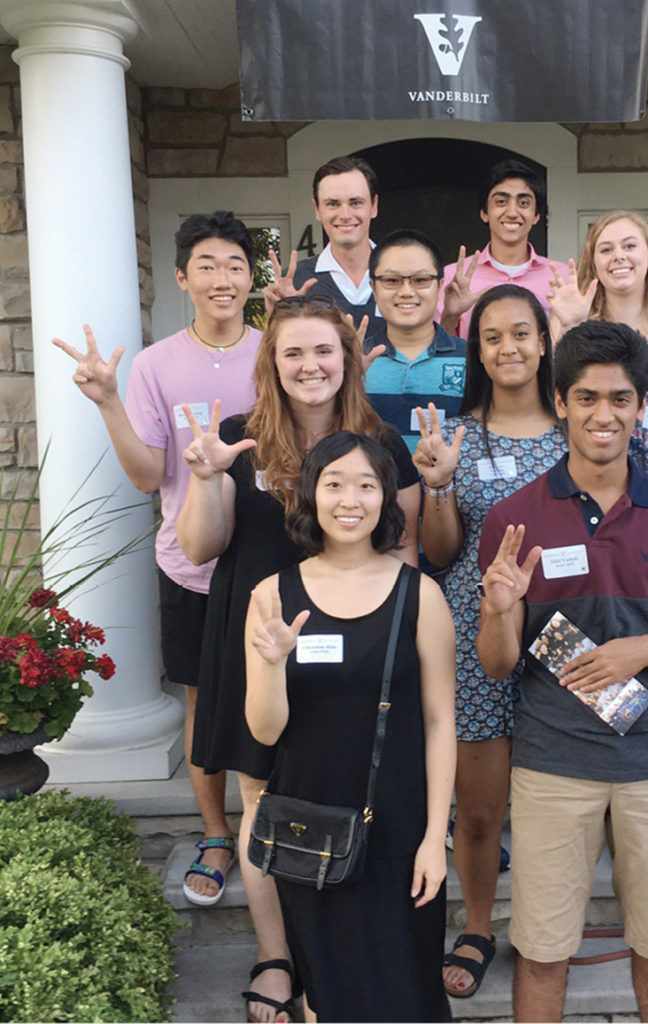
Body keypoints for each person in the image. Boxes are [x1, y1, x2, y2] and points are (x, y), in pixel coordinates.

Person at [176, 297, 420, 1023]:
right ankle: (276, 955)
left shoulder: (383, 442)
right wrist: (206, 478)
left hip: (351, 651)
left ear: (347, 358)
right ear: (272, 363)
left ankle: (338, 952)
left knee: (339, 795)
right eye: (293, 353)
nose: (309, 365)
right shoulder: (234, 438)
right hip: (255, 641)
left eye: (323, 351)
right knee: (260, 800)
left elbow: (403, 555)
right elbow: (199, 548)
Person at [476, 321, 648, 1022]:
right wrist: (500, 611)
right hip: (555, 763)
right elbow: (497, 664)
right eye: (586, 397)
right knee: (543, 948)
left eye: (620, 399)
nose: (603, 415)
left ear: (641, 405)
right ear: (561, 402)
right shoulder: (513, 520)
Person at [53, 211, 260, 909]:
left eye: (234, 263)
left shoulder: (276, 354)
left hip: (269, 561)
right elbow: (147, 475)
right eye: (207, 265)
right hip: (191, 563)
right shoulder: (156, 364)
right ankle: (214, 832)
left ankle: (274, 821)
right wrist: (109, 401)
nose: (222, 278)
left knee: (282, 694)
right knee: (203, 698)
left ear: (250, 275)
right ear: (182, 277)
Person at [245, 432, 456, 1022]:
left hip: (399, 826)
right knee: (328, 989)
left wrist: (435, 836)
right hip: (308, 824)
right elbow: (264, 732)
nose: (349, 499)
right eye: (333, 483)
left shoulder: (422, 595)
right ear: (310, 495)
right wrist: (271, 661)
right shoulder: (271, 597)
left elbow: (441, 722)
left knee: (406, 985)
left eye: (366, 485)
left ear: (385, 498)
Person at [411, 284, 566, 998]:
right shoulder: (457, 434)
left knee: (560, 801)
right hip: (475, 641)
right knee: (476, 810)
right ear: (475, 349)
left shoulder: (577, 431)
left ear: (544, 342)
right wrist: (440, 486)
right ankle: (476, 925)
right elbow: (440, 552)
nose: (509, 348)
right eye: (492, 336)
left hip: (565, 641)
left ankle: (547, 927)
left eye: (522, 333)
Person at [547, 210, 648, 480]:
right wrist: (570, 326)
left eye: (630, 246)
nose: (618, 256)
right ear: (594, 262)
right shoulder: (569, 322)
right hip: (590, 481)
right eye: (606, 249)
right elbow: (555, 409)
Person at [438, 159, 570, 339]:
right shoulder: (453, 278)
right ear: (484, 213)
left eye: (523, 203)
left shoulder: (562, 278)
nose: (512, 212)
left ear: (537, 215)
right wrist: (451, 316)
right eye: (501, 202)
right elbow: (438, 352)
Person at [263, 154, 385, 343]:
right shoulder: (295, 282)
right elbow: (279, 358)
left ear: (374, 206)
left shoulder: (402, 275)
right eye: (333, 204)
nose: (345, 215)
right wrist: (277, 319)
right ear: (317, 209)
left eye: (355, 203)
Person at [363, 230, 466, 453]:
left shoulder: (472, 359)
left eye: (420, 280)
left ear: (440, 285)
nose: (407, 292)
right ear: (373, 287)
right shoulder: (355, 360)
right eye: (392, 281)